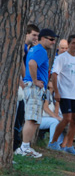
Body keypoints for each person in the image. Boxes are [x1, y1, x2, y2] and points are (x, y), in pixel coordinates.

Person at [17, 28, 57, 158]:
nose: (53, 42)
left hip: (34, 88)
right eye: (51, 39)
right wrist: (35, 80)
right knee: (31, 119)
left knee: (34, 120)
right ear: (43, 38)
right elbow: (32, 63)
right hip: (34, 88)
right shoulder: (40, 50)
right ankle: (24, 147)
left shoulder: (34, 49)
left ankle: (25, 146)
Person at [48, 35, 75, 156]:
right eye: (73, 43)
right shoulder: (62, 58)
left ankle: (69, 145)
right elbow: (54, 74)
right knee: (67, 119)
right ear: (69, 44)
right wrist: (57, 91)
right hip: (64, 93)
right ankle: (53, 142)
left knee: (74, 120)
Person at [14, 24, 39, 152]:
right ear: (26, 34)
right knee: (18, 117)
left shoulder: (28, 48)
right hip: (18, 86)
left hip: (23, 84)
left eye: (37, 36)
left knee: (21, 117)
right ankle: (15, 147)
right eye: (34, 35)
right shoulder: (22, 47)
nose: (36, 37)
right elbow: (20, 64)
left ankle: (18, 146)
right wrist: (21, 80)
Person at [39, 81, 65, 147]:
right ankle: (52, 143)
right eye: (51, 81)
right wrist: (56, 117)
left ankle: (60, 143)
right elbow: (45, 107)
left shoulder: (53, 94)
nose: (54, 82)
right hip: (40, 118)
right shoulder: (46, 92)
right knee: (54, 121)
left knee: (61, 121)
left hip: (46, 118)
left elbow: (56, 110)